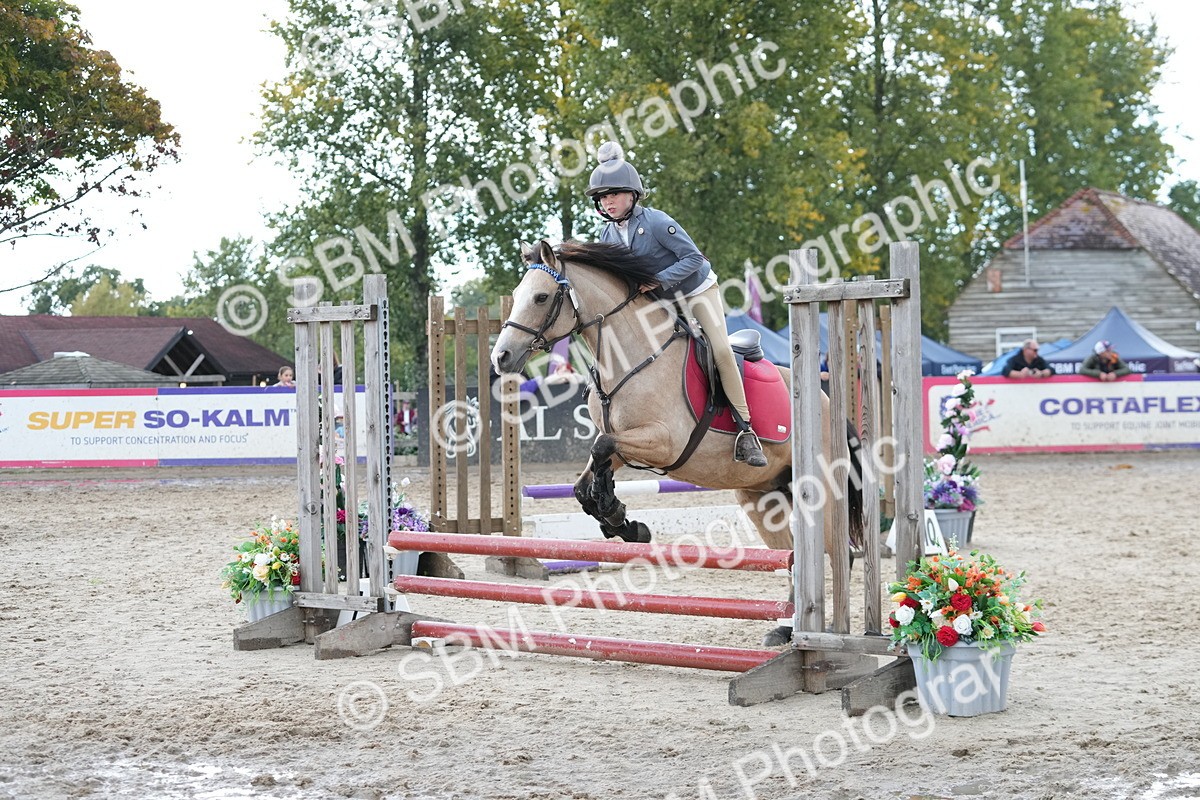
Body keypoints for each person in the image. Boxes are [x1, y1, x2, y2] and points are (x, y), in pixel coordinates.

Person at [585, 141, 766, 467]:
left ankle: (746, 429)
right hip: (658, 301)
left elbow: (693, 258)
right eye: (602, 197)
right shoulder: (607, 236)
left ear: (632, 195)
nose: (607, 201)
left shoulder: (656, 222)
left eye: (613, 194)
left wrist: (658, 280)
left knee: (720, 350)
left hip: (696, 291)